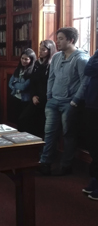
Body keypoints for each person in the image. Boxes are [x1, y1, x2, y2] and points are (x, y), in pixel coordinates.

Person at [39, 27, 89, 176]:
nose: (57, 41)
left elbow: (85, 82)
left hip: (70, 103)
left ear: (71, 40)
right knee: (49, 133)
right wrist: (49, 96)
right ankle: (45, 162)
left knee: (68, 135)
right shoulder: (56, 57)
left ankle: (66, 166)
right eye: (57, 38)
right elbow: (51, 77)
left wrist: (75, 100)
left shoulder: (81, 59)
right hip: (53, 101)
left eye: (60, 38)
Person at [18, 40, 57, 137]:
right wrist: (33, 96)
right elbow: (33, 82)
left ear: (50, 51)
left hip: (47, 99)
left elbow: (51, 83)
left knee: (41, 125)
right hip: (36, 98)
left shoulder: (52, 64)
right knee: (23, 119)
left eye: (43, 50)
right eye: (40, 49)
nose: (40, 51)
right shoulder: (36, 63)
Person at [82, 49, 98, 200]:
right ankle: (95, 179)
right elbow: (88, 69)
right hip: (91, 104)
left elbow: (91, 67)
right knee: (93, 144)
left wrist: (94, 65)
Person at [8, 48, 37, 129]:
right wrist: (16, 86)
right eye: (22, 58)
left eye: (26, 59)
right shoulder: (18, 69)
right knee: (17, 120)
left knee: (24, 121)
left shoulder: (32, 71)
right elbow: (10, 83)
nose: (24, 61)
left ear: (31, 60)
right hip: (16, 97)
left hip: (26, 100)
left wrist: (15, 84)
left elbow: (24, 87)